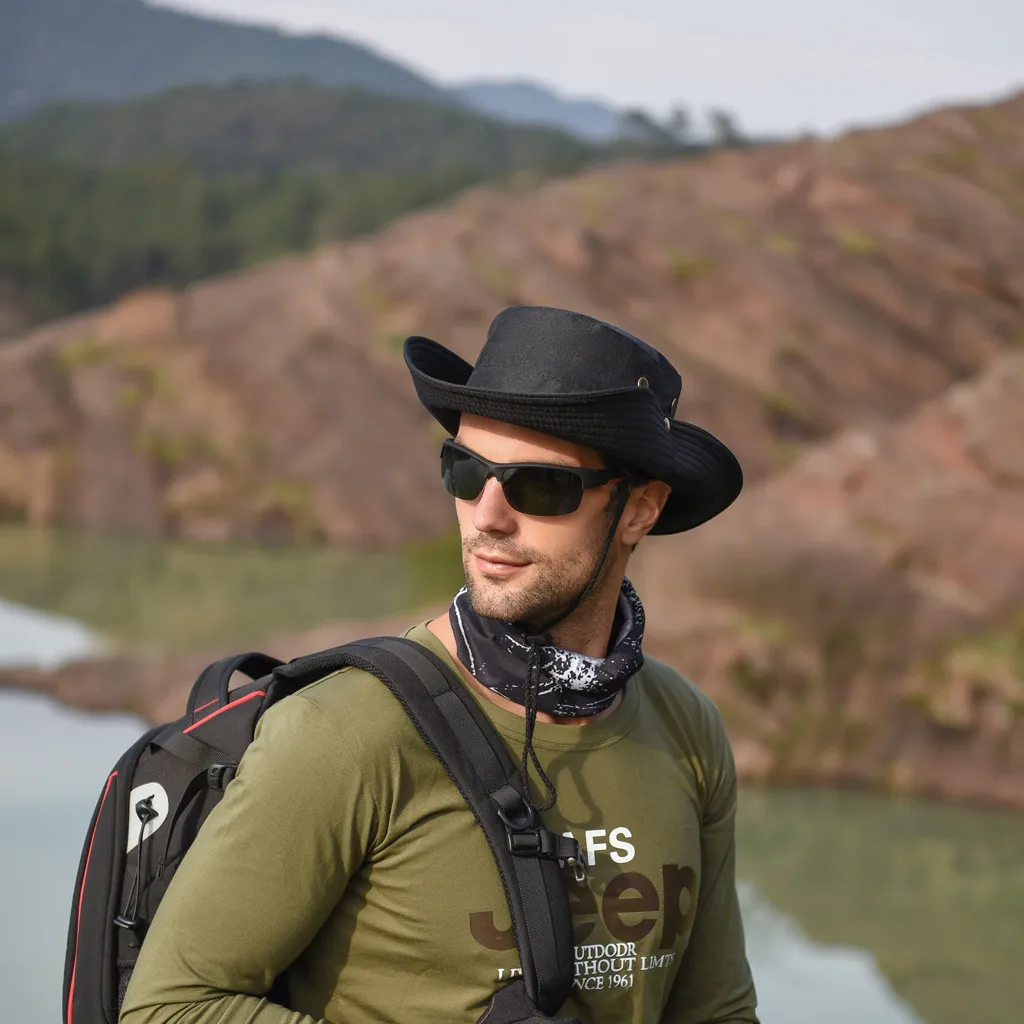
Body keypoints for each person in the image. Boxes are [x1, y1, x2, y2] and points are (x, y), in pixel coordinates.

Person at [119, 306, 758, 1024]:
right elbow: (168, 1008)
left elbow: (718, 1012)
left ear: (639, 510)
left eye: (539, 487)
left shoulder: (687, 727)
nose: (488, 516)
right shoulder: (345, 731)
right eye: (467, 471)